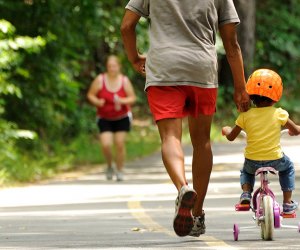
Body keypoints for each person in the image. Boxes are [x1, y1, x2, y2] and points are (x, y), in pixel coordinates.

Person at [121, 0, 250, 237]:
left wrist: (134, 58)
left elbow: (127, 26)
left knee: (170, 137)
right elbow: (231, 43)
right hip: (201, 68)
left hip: (164, 68)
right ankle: (197, 214)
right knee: (202, 141)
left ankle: (183, 188)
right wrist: (241, 87)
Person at [222, 68, 299, 214]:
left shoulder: (245, 116)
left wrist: (226, 130)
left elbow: (231, 136)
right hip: (276, 160)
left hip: (252, 162)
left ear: (250, 96)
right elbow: (295, 130)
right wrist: (293, 130)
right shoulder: (279, 114)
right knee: (288, 168)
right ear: (277, 95)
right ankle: (288, 203)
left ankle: (246, 194)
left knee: (245, 171)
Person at [87, 55, 136, 181]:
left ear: (119, 67)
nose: (112, 68)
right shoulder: (100, 79)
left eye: (114, 66)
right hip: (104, 117)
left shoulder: (124, 81)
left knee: (119, 144)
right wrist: (97, 102)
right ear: (106, 67)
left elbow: (132, 98)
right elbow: (90, 95)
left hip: (122, 117)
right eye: (109, 66)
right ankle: (110, 166)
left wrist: (122, 100)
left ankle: (120, 170)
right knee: (106, 144)